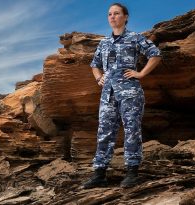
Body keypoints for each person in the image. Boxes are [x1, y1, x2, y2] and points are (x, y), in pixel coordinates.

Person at [83, 3, 162, 189]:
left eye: (116, 13)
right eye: (110, 14)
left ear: (125, 17)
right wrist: (99, 78)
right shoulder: (104, 42)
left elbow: (156, 54)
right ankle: (99, 174)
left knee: (131, 131)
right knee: (104, 133)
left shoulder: (135, 38)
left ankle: (132, 172)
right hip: (107, 95)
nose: (112, 17)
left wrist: (141, 74)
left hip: (129, 93)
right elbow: (94, 64)